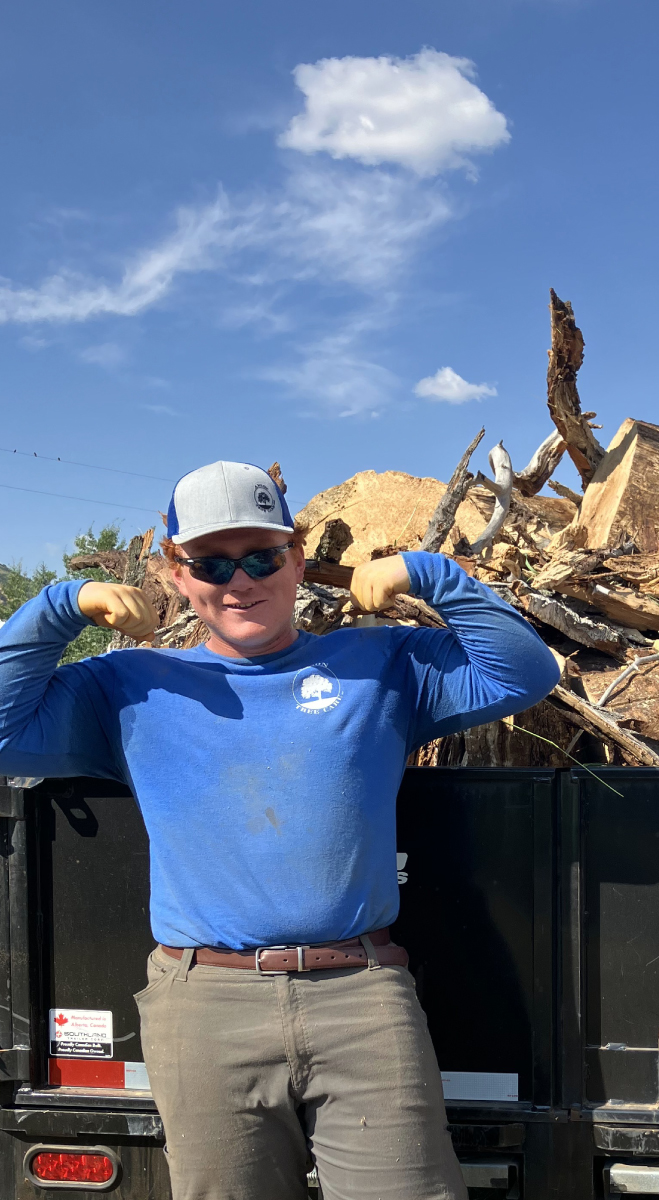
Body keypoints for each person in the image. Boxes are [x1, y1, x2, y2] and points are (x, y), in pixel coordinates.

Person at [0, 459, 561, 1200]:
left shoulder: (383, 664)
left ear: (298, 558)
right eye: (212, 562)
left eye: (263, 556)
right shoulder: (127, 686)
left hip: (361, 996)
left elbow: (523, 675)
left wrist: (431, 575)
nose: (241, 580)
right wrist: (61, 605)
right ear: (176, 573)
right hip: (205, 1005)